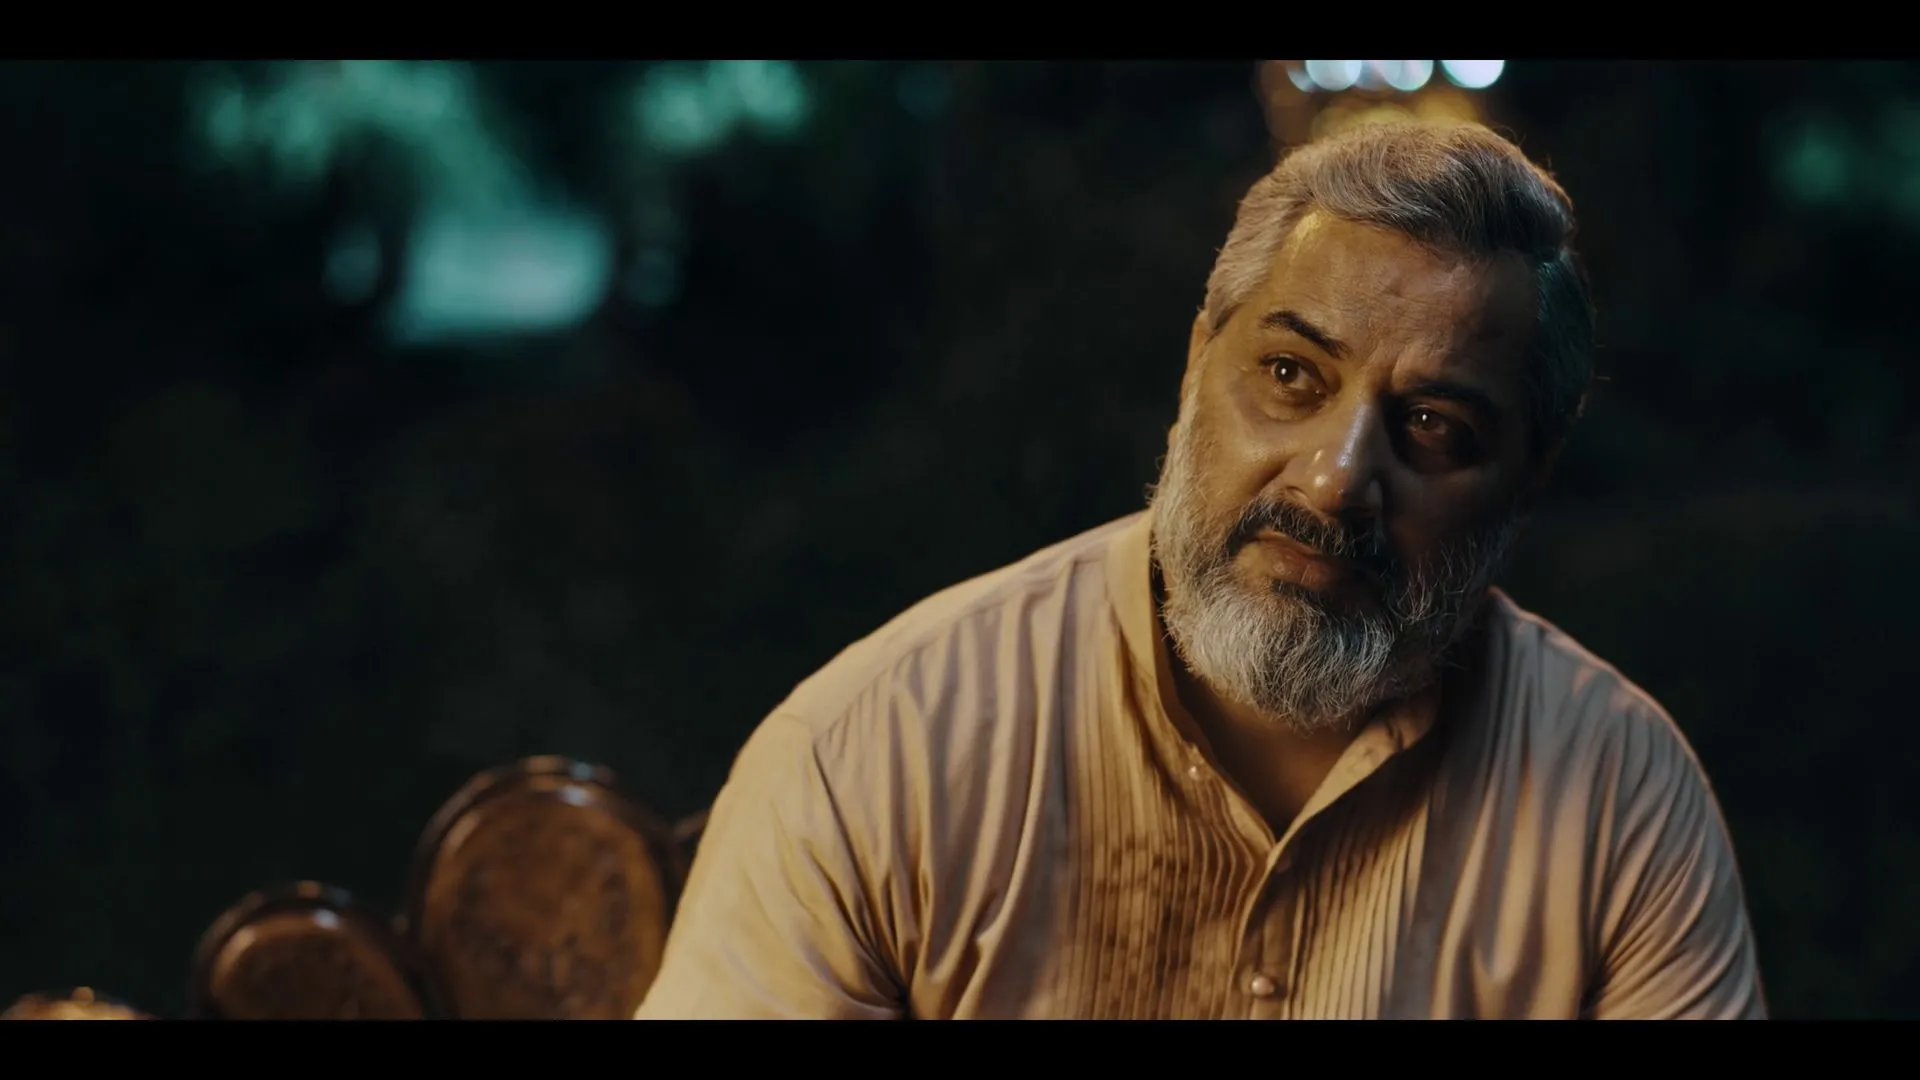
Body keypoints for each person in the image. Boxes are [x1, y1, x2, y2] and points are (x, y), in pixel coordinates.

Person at [635, 119, 1767, 1020]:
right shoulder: (875, 751)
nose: (1335, 479)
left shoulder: (1620, 797)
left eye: (1433, 426)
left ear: (1525, 480)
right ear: (1195, 367)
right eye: (1290, 374)